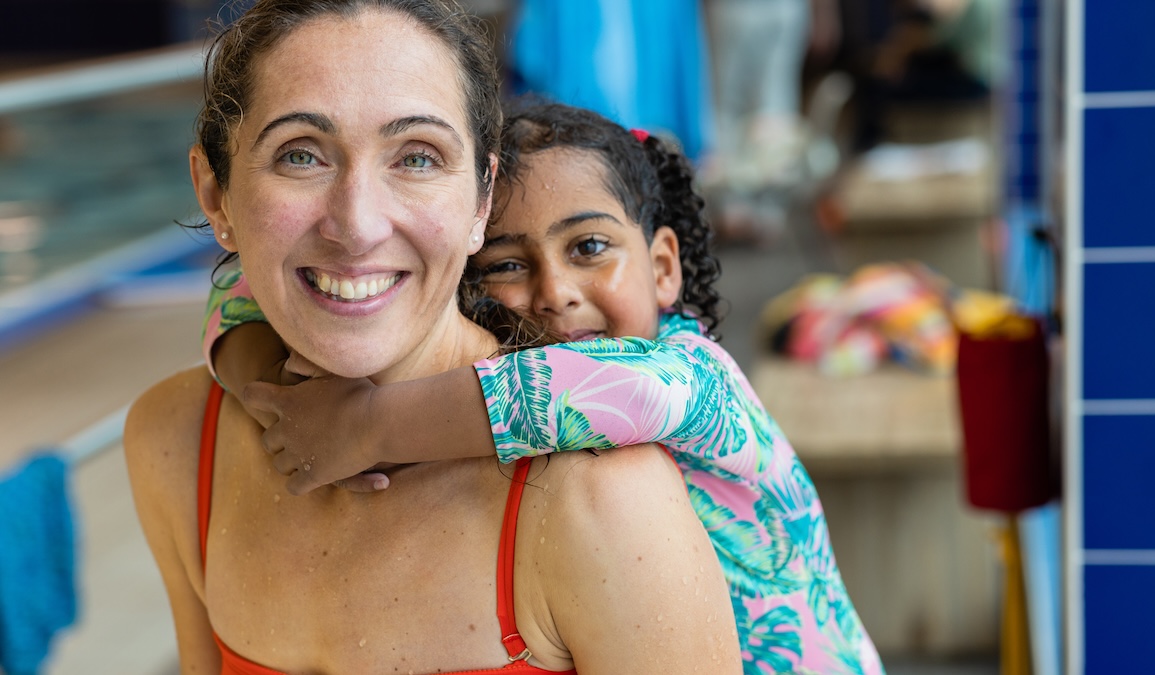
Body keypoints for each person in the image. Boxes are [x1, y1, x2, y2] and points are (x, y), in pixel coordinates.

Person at [123, 2, 742, 673]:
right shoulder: (178, 442)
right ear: (215, 195)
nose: (357, 225)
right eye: (300, 154)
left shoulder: (600, 503)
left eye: (417, 157)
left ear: (482, 199)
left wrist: (369, 423)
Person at [205, 97, 885, 673]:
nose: (556, 292)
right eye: (506, 263)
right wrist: (278, 401)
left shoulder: (696, 375)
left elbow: (603, 390)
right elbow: (243, 287)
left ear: (663, 267)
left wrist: (362, 423)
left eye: (589, 247)